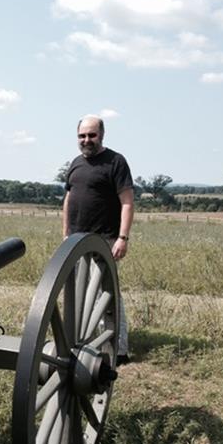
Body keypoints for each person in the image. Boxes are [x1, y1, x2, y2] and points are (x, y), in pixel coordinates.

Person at [62, 115, 134, 365]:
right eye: (82, 136)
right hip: (76, 239)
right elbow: (69, 200)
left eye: (91, 135)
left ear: (101, 135)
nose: (87, 140)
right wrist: (65, 234)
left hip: (104, 238)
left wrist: (122, 238)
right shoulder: (75, 164)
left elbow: (127, 202)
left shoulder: (116, 162)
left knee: (107, 293)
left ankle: (118, 349)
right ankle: (85, 344)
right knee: (81, 294)